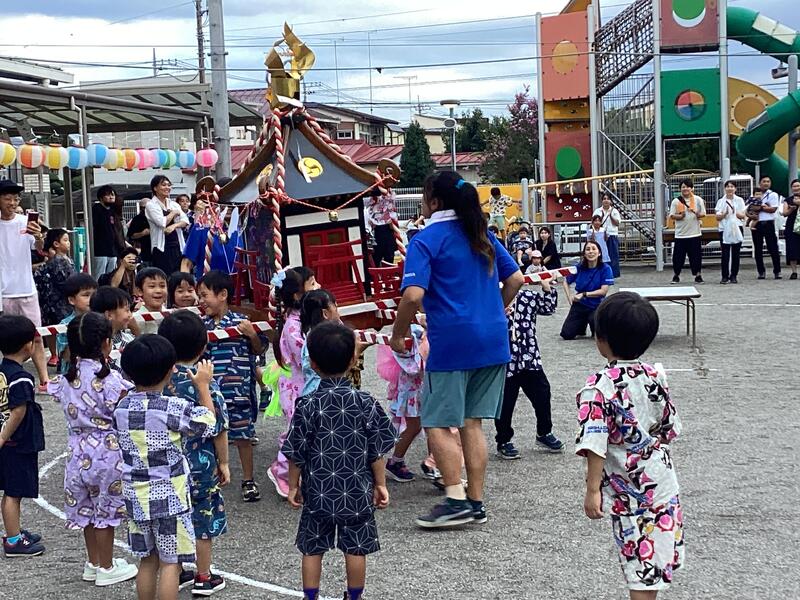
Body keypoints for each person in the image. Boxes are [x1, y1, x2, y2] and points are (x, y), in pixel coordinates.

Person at [390, 171, 523, 529]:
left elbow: (413, 295)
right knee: (472, 422)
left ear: (434, 202)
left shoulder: (425, 239)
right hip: (493, 339)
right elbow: (515, 279)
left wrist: (398, 334)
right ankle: (475, 501)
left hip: (452, 341)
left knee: (435, 421)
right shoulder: (481, 234)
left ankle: (454, 499)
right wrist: (494, 309)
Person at [576, 292, 684, 598]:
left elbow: (595, 442)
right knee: (655, 562)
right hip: (662, 482)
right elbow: (670, 426)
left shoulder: (598, 388)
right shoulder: (655, 375)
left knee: (638, 565)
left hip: (628, 491)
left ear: (601, 339)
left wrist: (592, 489)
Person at [282, 321, 397, 600]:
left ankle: (311, 596)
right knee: (356, 547)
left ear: (314, 364)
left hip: (317, 489)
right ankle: (354, 596)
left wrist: (293, 485)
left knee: (312, 547)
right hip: (356, 488)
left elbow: (297, 451)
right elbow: (376, 450)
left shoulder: (307, 404)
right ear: (353, 360)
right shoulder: (366, 402)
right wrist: (380, 483)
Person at [115, 335, 216, 600]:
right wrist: (203, 386)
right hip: (171, 496)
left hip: (136, 495)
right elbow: (208, 423)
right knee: (171, 562)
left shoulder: (122, 407)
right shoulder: (172, 407)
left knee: (147, 560)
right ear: (170, 370)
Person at [47, 312, 138, 586]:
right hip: (107, 453)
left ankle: (94, 562)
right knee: (106, 511)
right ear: (107, 343)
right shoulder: (111, 381)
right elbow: (124, 411)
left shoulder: (66, 379)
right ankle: (107, 567)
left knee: (86, 509)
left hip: (76, 452)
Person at [158, 311, 229, 596]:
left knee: (174, 517)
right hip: (201, 464)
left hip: (168, 465)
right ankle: (203, 575)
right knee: (202, 519)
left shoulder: (159, 380)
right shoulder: (204, 383)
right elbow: (218, 427)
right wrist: (224, 462)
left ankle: (177, 570)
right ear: (203, 346)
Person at [198, 270, 266, 503]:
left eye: (205, 295)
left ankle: (248, 479)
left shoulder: (242, 322)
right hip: (212, 393)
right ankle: (216, 476)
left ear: (223, 294)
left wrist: (252, 335)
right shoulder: (201, 326)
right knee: (213, 434)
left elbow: (259, 349)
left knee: (243, 436)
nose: (201, 300)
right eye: (200, 296)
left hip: (239, 392)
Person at [495, 277, 563, 459]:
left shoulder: (528, 297)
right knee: (505, 402)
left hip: (529, 357)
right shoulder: (492, 298)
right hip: (505, 360)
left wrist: (547, 288)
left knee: (543, 393)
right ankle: (503, 440)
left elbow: (548, 307)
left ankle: (544, 432)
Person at [0, 315, 45, 557]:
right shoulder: (21, 377)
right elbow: (18, 411)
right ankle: (13, 541)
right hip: (16, 443)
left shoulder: (2, 373)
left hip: (8, 442)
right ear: (28, 346)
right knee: (13, 492)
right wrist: (3, 436)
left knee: (11, 490)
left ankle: (14, 530)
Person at [0, 178, 49, 387]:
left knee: (35, 335)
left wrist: (38, 236)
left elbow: (39, 249)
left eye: (15, 198)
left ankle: (45, 380)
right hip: (3, 292)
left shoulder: (25, 222)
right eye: (7, 198)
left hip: (26, 289)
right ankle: (6, 380)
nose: (12, 203)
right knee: (5, 340)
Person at [268, 269, 306, 499]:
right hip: (295, 387)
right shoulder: (292, 325)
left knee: (303, 429)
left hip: (301, 384)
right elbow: (303, 357)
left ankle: (298, 475)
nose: (316, 286)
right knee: (297, 430)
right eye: (311, 283)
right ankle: (281, 470)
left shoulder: (299, 320)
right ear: (297, 294)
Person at [34, 228, 76, 366]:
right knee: (62, 329)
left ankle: (57, 356)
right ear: (56, 244)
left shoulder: (64, 260)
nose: (68, 243)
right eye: (65, 240)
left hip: (56, 301)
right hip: (59, 301)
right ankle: (60, 357)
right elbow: (65, 282)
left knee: (56, 329)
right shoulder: (58, 261)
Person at [560, 241, 614, 340]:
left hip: (597, 305)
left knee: (598, 335)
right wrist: (570, 298)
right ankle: (582, 325)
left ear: (599, 253)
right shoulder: (579, 267)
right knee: (566, 334)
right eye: (588, 249)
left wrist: (584, 294)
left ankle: (595, 323)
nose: (591, 252)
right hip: (580, 304)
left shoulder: (606, 269)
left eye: (594, 249)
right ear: (584, 254)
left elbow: (603, 291)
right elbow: (566, 281)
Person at [145, 175, 190, 276]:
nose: (167, 187)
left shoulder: (173, 204)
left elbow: (185, 221)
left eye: (169, 185)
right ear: (155, 188)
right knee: (164, 276)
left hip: (177, 245)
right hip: (161, 248)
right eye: (163, 185)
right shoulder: (151, 205)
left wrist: (174, 226)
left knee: (178, 276)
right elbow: (162, 222)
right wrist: (173, 213)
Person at [55, 274, 98, 374]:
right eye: (86, 295)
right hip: (73, 375)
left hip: (97, 372)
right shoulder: (64, 325)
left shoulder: (100, 320)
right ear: (71, 300)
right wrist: (78, 331)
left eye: (94, 294)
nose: (92, 299)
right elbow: (66, 356)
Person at [668, 178, 706, 284]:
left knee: (696, 256)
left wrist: (697, 214)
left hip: (695, 233)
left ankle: (698, 275)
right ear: (680, 189)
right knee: (678, 257)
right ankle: (676, 275)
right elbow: (672, 215)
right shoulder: (676, 201)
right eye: (683, 187)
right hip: (680, 234)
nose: (686, 189)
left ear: (692, 188)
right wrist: (680, 216)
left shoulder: (698, 200)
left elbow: (703, 214)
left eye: (688, 187)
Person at [90, 286, 135, 365]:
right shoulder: (92, 343)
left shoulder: (129, 339)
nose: (130, 315)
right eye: (127, 310)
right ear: (109, 315)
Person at [714, 180, 746, 284]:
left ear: (735, 189)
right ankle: (724, 276)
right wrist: (724, 214)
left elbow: (743, 215)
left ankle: (734, 275)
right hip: (724, 228)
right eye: (728, 186)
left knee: (736, 253)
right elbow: (717, 217)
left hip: (737, 227)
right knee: (725, 253)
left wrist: (735, 212)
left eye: (732, 186)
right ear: (725, 189)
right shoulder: (721, 201)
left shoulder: (739, 200)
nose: (730, 188)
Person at [751, 174, 782, 280]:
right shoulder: (755, 194)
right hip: (757, 223)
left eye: (768, 181)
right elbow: (751, 207)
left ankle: (777, 271)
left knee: (773, 248)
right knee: (758, 249)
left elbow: (773, 209)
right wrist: (763, 207)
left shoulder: (773, 195)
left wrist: (760, 208)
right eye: (764, 181)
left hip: (768, 223)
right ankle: (761, 272)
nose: (766, 183)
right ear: (759, 183)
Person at [92, 185, 126, 276]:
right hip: (100, 251)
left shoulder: (113, 211)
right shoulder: (96, 209)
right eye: (108, 195)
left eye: (113, 195)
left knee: (110, 276)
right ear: (101, 197)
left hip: (112, 251)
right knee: (99, 276)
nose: (111, 197)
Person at [367, 188, 398, 267]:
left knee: (387, 257)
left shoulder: (389, 195)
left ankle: (386, 272)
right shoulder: (373, 199)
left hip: (386, 228)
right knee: (379, 257)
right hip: (379, 229)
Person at [593, 193, 622, 277]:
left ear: (611, 201)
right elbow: (594, 222)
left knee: (613, 255)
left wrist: (611, 215)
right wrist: (602, 216)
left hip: (612, 235)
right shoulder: (597, 211)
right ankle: (600, 273)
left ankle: (613, 274)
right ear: (602, 201)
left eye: (608, 199)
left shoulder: (615, 211)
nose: (606, 200)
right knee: (600, 255)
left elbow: (617, 223)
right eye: (604, 199)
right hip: (600, 235)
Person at [134, 267, 169, 334]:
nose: (158, 291)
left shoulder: (172, 316)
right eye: (152, 286)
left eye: (162, 286)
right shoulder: (134, 320)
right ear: (140, 291)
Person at [781, 179, 800, 280]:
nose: (796, 188)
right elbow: (784, 213)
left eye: (798, 186)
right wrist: (791, 209)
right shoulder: (788, 200)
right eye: (794, 186)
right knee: (792, 249)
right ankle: (794, 271)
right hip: (791, 226)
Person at [127, 198, 152, 266]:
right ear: (142, 208)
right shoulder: (137, 219)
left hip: (156, 252)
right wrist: (142, 233)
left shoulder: (156, 217)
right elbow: (131, 235)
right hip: (143, 252)